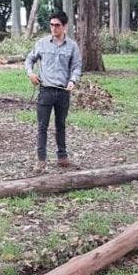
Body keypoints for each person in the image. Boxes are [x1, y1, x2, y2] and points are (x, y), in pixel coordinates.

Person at [24, 11, 82, 173]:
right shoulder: (42, 43)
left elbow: (76, 66)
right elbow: (29, 59)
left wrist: (72, 81)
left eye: (57, 25)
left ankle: (62, 157)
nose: (54, 28)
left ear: (65, 27)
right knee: (42, 126)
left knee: (60, 125)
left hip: (63, 92)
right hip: (45, 91)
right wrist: (31, 74)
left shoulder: (72, 46)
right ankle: (41, 160)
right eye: (52, 25)